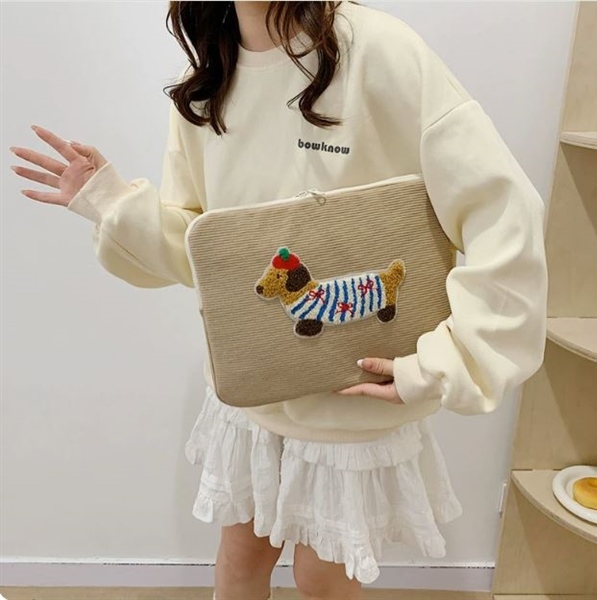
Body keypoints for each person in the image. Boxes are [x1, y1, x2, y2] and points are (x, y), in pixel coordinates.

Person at [9, 1, 548, 599]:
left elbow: (505, 213)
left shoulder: (380, 50)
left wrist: (446, 362)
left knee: (323, 577)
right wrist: (108, 202)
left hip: (351, 400)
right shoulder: (208, 79)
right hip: (255, 392)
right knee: (239, 560)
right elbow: (202, 248)